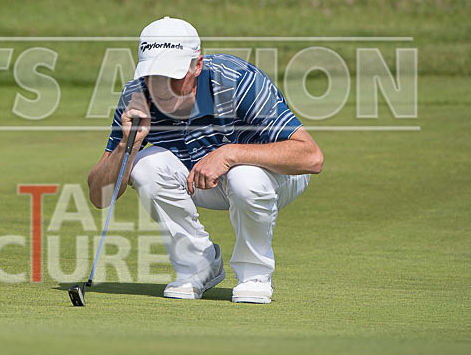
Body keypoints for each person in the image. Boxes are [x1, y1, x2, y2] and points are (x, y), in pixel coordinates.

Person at [87, 17, 323, 303]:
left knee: (244, 176)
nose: (162, 89)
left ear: (197, 65)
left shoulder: (237, 80)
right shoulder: (136, 97)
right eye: (154, 76)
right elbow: (101, 196)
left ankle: (254, 275)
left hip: (277, 176)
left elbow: (310, 157)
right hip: (199, 178)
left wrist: (229, 154)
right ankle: (198, 266)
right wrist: (129, 143)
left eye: (173, 76)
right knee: (146, 165)